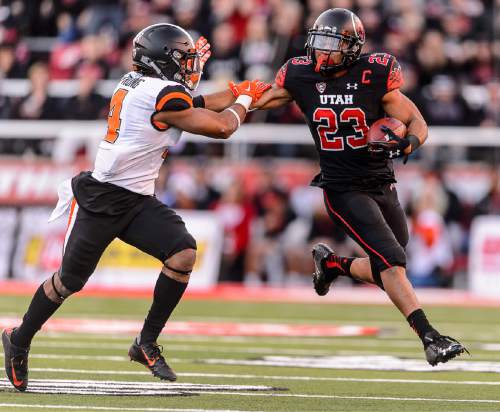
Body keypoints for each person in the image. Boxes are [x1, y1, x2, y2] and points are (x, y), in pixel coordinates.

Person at [2, 23, 270, 391]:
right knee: (69, 281)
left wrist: (236, 91)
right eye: (184, 60)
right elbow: (222, 127)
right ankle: (19, 338)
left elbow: (192, 102)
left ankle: (145, 342)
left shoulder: (140, 82)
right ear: (163, 61)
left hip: (136, 198)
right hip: (102, 197)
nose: (190, 67)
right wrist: (246, 98)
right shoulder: (161, 94)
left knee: (183, 254)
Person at [245, 8, 468, 365]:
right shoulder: (300, 75)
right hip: (342, 187)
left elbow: (417, 122)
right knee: (392, 262)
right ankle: (430, 336)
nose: (321, 52)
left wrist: (406, 144)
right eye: (318, 43)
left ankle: (333, 264)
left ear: (351, 47)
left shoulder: (373, 74)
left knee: (391, 264)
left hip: (381, 180)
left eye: (331, 45)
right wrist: (198, 105)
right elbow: (252, 101)